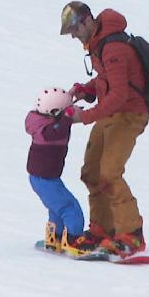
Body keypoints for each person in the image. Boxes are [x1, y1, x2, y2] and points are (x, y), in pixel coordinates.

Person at [59, 1, 149, 257]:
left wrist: (84, 117)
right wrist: (86, 90)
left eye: (75, 30)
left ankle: (131, 236)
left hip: (128, 115)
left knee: (109, 173)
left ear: (87, 21)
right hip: (110, 113)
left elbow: (120, 95)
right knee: (91, 172)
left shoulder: (113, 47)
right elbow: (106, 80)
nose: (74, 37)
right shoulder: (99, 44)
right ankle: (103, 229)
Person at [25, 87, 86, 255]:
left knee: (56, 207)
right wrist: (67, 115)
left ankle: (55, 238)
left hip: (43, 177)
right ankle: (74, 241)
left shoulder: (41, 118)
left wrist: (72, 95)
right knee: (70, 208)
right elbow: (58, 130)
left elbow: (60, 111)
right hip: (45, 179)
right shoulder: (49, 130)